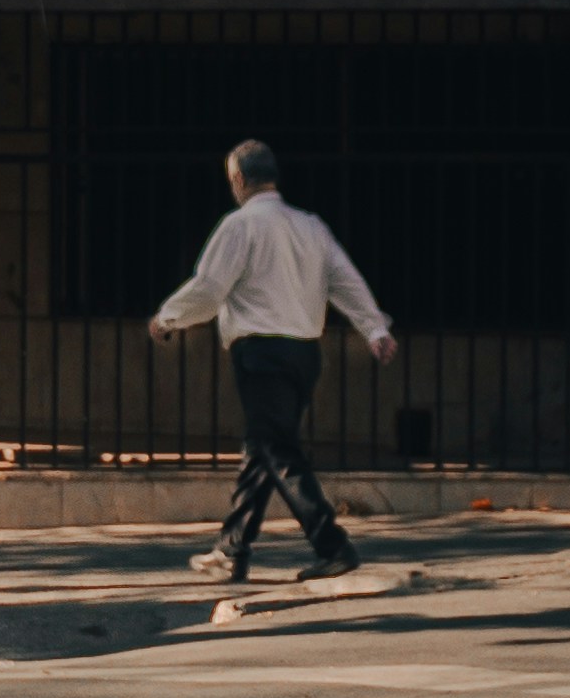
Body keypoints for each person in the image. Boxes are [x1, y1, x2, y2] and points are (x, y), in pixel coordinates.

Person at [149, 138, 397, 587]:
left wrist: (167, 318)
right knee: (261, 449)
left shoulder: (240, 225)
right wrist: (374, 329)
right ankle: (231, 548)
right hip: (305, 354)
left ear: (239, 179)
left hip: (262, 353)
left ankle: (332, 545)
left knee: (278, 451)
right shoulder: (311, 226)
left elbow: (209, 289)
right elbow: (345, 280)